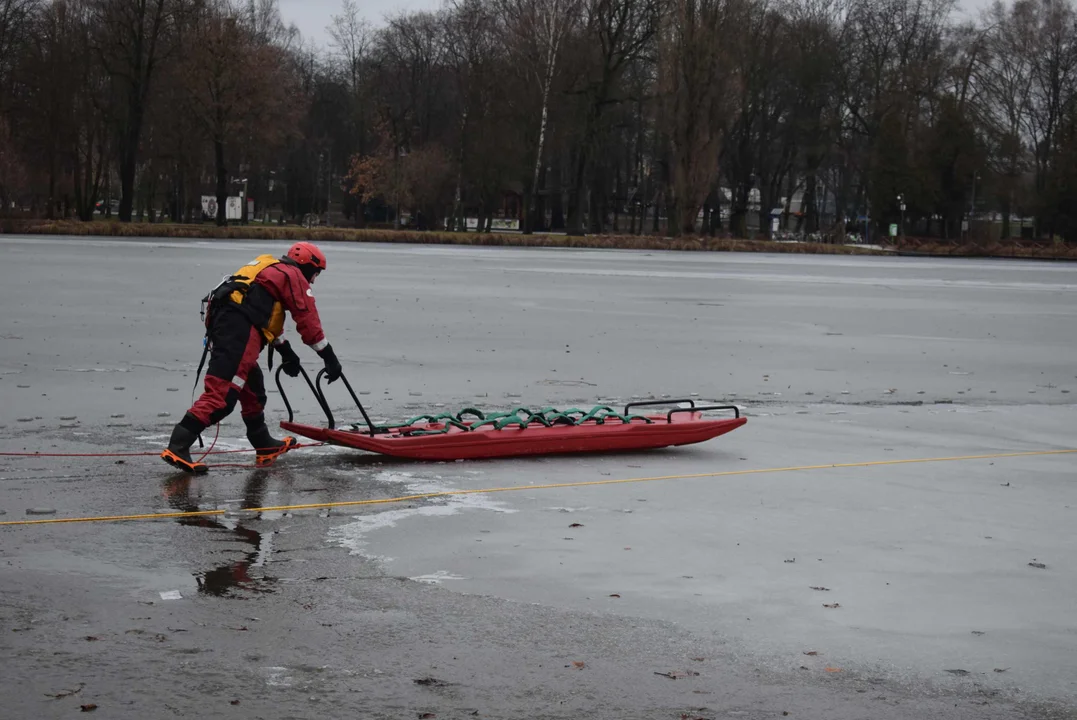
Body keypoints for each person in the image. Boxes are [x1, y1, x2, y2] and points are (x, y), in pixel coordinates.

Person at [161, 242, 343, 474]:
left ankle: (263, 443)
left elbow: (259, 311)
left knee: (252, 386)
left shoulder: (269, 267)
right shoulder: (292, 275)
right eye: (315, 274)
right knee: (223, 395)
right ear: (307, 266)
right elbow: (308, 320)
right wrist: (329, 358)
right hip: (239, 332)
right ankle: (178, 445)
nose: (314, 280)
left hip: (229, 326)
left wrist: (285, 351)